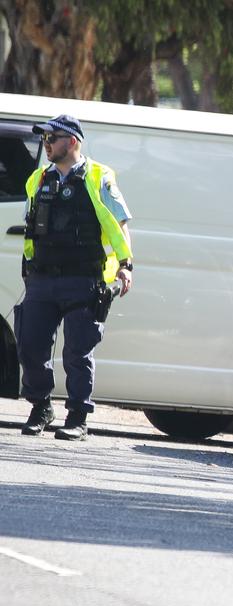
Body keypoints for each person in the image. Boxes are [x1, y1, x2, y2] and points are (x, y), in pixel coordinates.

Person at [18, 114, 134, 440]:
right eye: (44, 139)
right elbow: (31, 229)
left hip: (84, 278)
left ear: (71, 142)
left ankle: (78, 417)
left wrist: (126, 265)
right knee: (30, 345)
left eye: (51, 138)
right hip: (42, 278)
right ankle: (41, 406)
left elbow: (119, 223)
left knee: (77, 353)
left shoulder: (99, 177)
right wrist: (28, 268)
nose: (46, 144)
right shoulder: (38, 179)